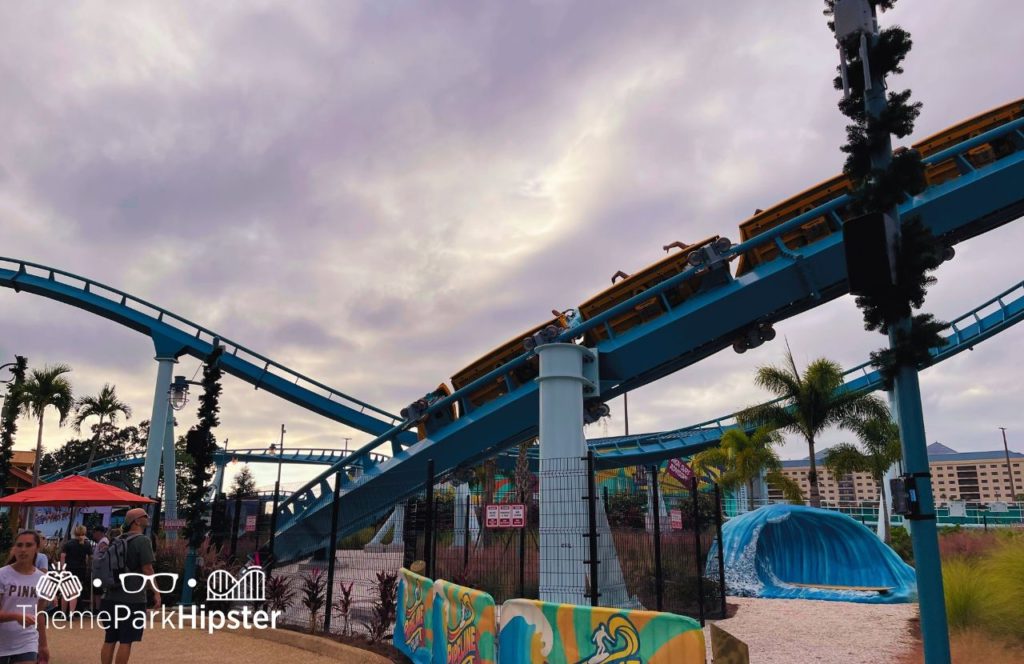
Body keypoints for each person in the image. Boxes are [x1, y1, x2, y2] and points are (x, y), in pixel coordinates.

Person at [100, 508, 160, 664]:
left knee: (110, 638)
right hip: (132, 598)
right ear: (137, 521)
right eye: (144, 516)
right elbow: (148, 569)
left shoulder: (117, 539)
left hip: (111, 596)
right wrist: (156, 592)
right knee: (126, 640)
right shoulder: (143, 540)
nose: (147, 518)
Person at [0, 530, 51, 664]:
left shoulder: (42, 579)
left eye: (28, 545)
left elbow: (40, 613)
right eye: (19, 545)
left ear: (37, 549)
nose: (23, 550)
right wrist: (17, 616)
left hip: (27, 641)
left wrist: (43, 645)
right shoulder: (2, 575)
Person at [60, 525, 93, 614]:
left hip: (68, 569)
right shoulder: (87, 544)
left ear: (74, 533)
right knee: (74, 592)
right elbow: (90, 558)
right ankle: (71, 613)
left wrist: (63, 570)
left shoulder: (68, 544)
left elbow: (63, 556)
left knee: (65, 592)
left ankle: (63, 613)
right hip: (81, 570)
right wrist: (89, 567)